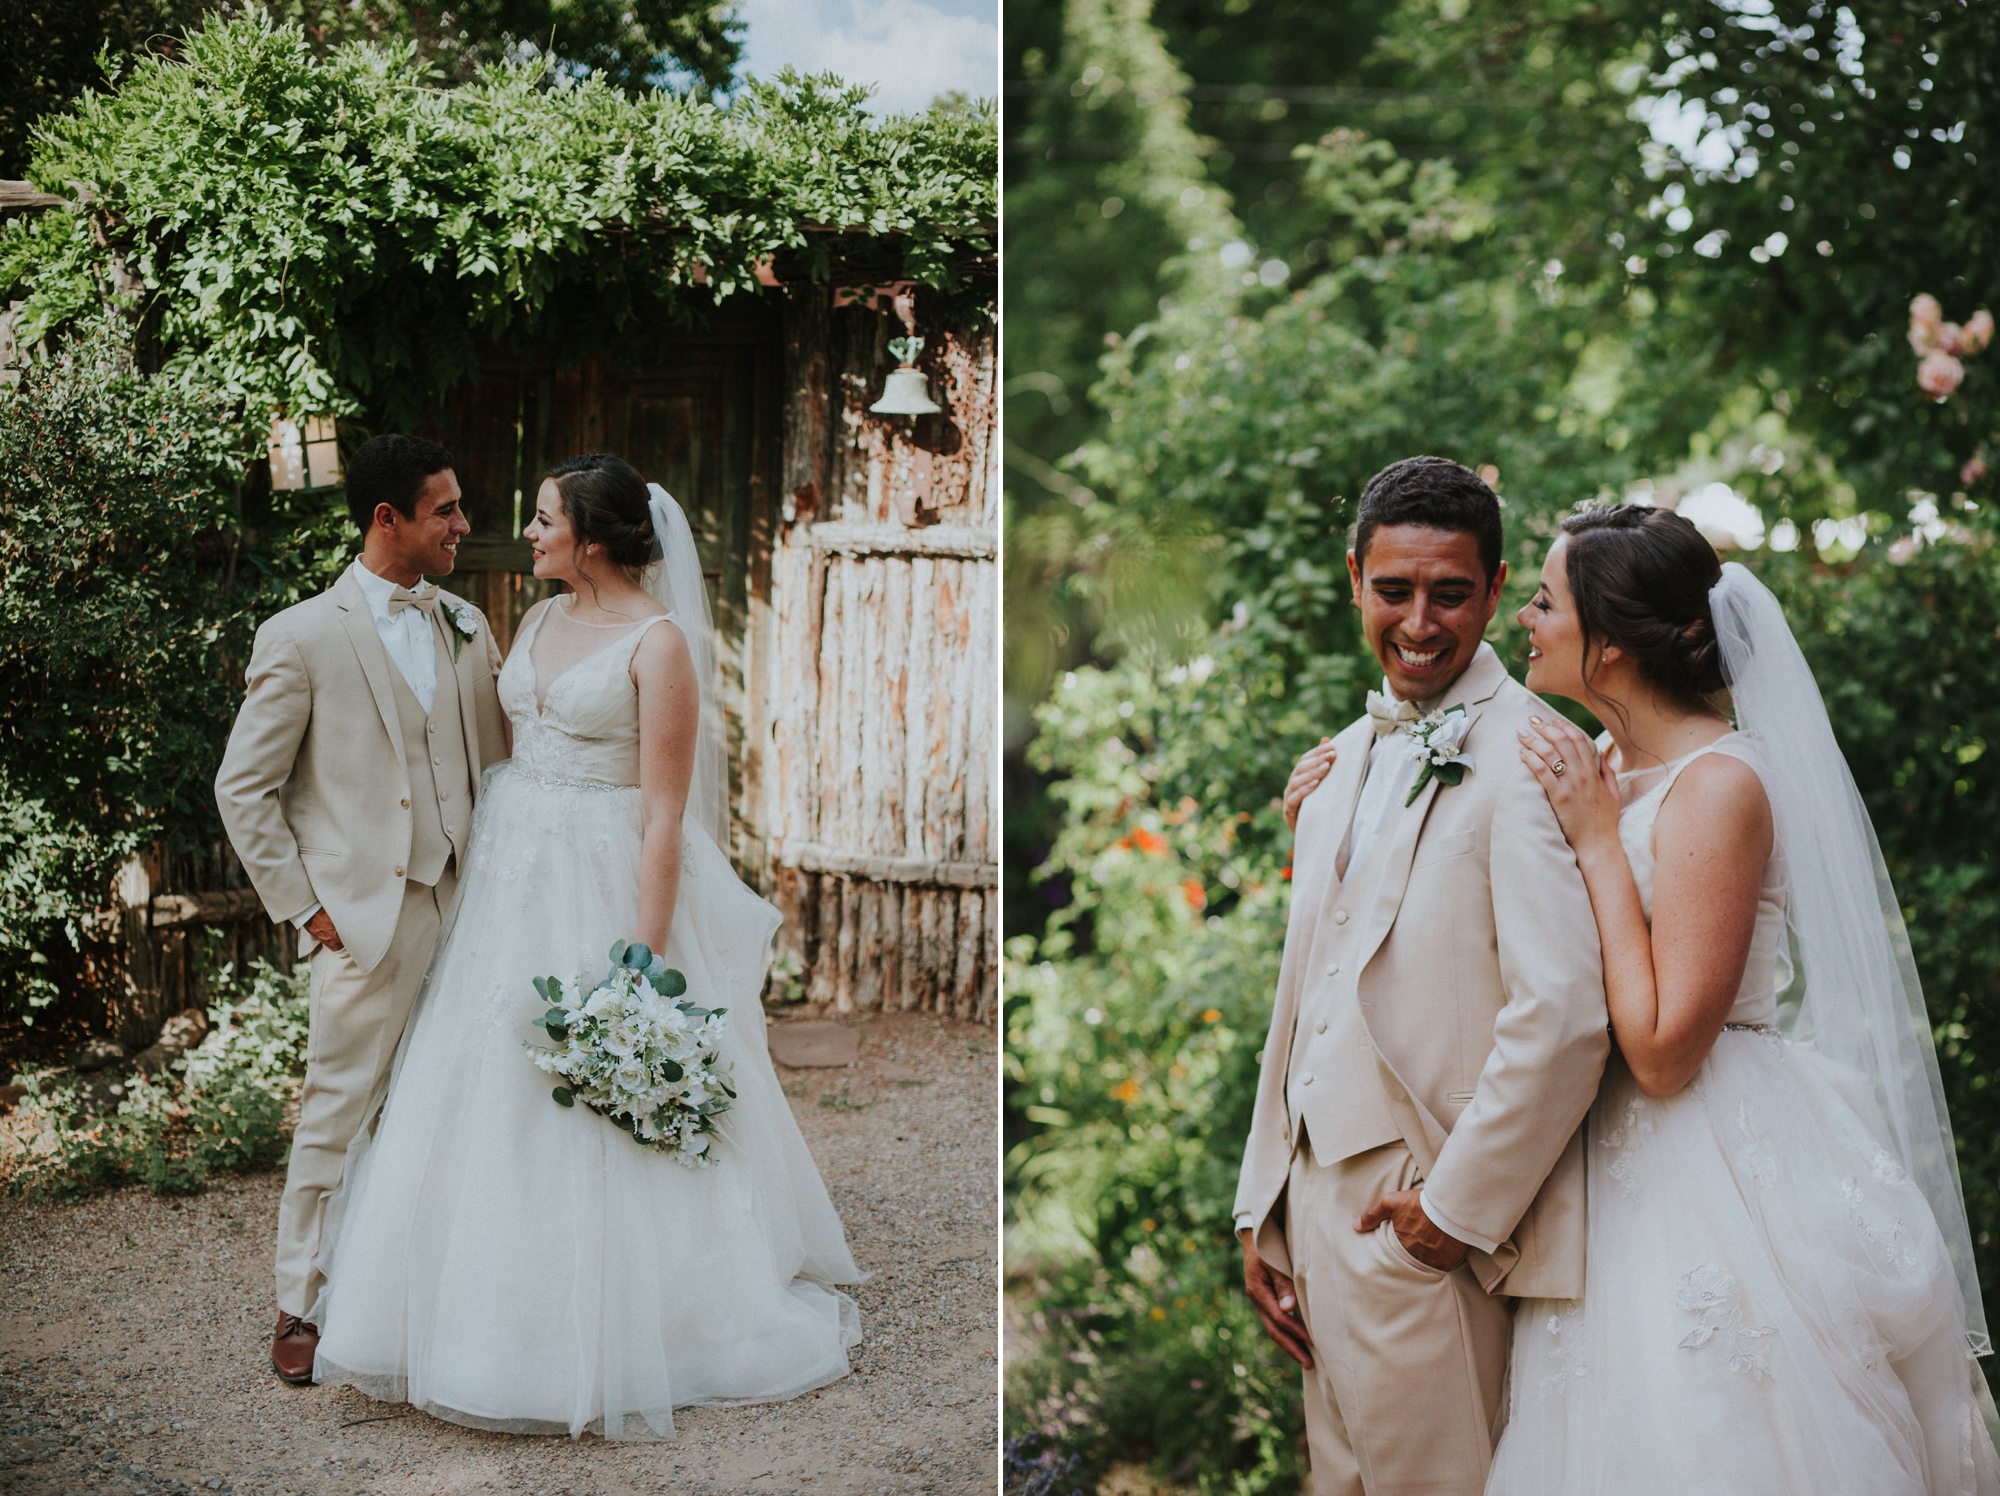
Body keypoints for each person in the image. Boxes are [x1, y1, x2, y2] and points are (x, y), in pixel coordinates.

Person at [309, 453, 863, 1439]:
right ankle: (478, 1312)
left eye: (542, 518)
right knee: (484, 1086)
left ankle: (641, 1316)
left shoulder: (658, 647)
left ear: (593, 539)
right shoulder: (535, 619)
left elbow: (663, 817)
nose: (524, 531)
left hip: (606, 881)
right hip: (511, 876)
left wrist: (642, 960)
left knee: (598, 1099)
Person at [1488, 504, 2000, 1494]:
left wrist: (1596, 840)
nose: (1524, 617)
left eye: (1544, 600)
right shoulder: (1593, 763)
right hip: (1587, 1167)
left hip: (1710, 1156)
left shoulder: (1719, 783)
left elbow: (1665, 1049)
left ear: (1611, 639)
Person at [1235, 456, 1610, 1496]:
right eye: (1392, 588)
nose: (1417, 619)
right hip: (1311, 1215)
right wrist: (1262, 1207)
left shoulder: (1535, 755)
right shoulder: (1341, 758)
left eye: (1449, 592)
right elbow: (1304, 991)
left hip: (1422, 1214)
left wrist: (1451, 1210)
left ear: (1493, 591)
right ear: (1353, 577)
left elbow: (1565, 1011)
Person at [215, 433, 509, 1386]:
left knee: (450, 1111)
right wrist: (307, 910)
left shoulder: (467, 622)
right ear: (389, 519)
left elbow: (495, 768)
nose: (464, 524)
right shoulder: (300, 636)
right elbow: (243, 789)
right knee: (337, 1114)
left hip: (468, 910)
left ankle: (414, 1295)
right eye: (445, 510)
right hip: (363, 921)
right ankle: (298, 1301)